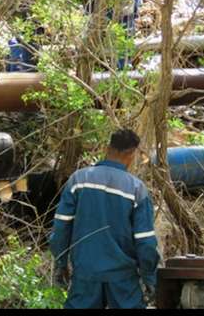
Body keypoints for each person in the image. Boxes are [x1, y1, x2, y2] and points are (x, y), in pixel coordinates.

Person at [49, 129, 160, 309]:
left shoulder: (79, 180)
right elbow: (145, 242)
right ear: (132, 154)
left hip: (86, 274)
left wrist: (61, 264)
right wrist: (149, 278)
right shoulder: (136, 189)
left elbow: (61, 228)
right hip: (123, 279)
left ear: (107, 148)